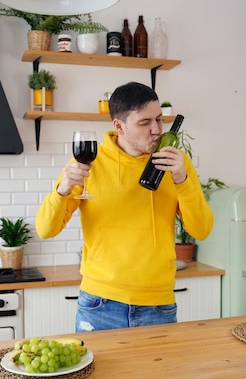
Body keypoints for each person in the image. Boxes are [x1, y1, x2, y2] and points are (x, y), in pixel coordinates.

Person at [35, 81, 214, 332]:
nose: (156, 130)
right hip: (99, 303)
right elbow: (45, 230)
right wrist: (63, 189)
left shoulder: (175, 163)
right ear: (119, 125)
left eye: (159, 120)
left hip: (158, 305)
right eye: (144, 123)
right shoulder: (89, 162)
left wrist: (182, 181)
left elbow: (202, 230)